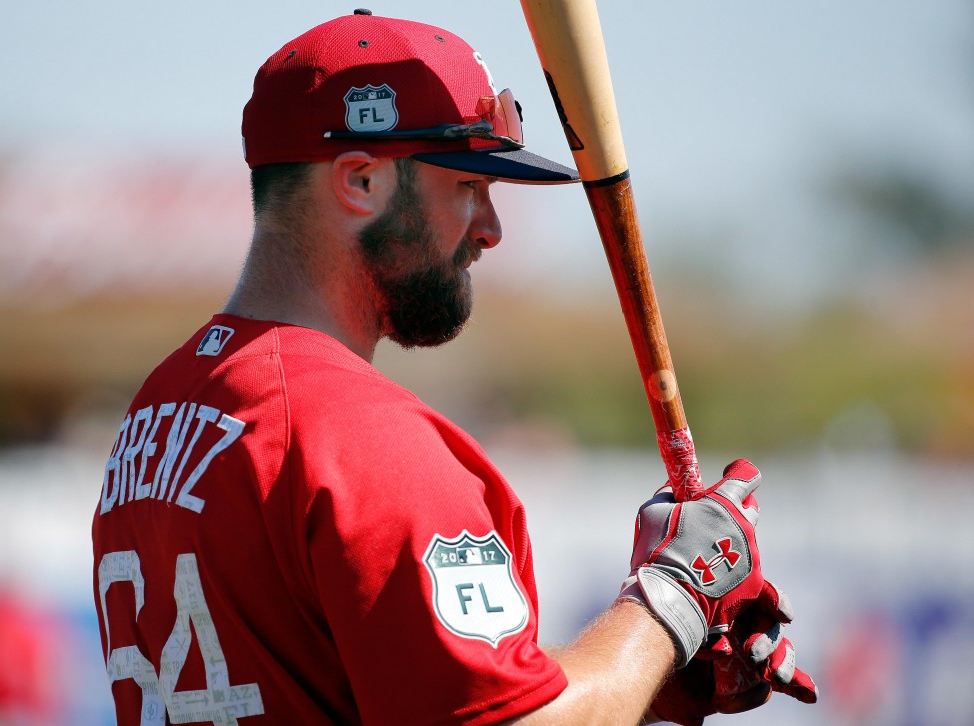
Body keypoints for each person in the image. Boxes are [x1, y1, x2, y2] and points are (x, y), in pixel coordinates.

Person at [91, 10, 816, 725]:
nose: (492, 228)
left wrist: (637, 675)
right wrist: (674, 596)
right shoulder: (365, 441)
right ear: (362, 182)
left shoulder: (159, 408)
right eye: (468, 184)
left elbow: (388, 683)